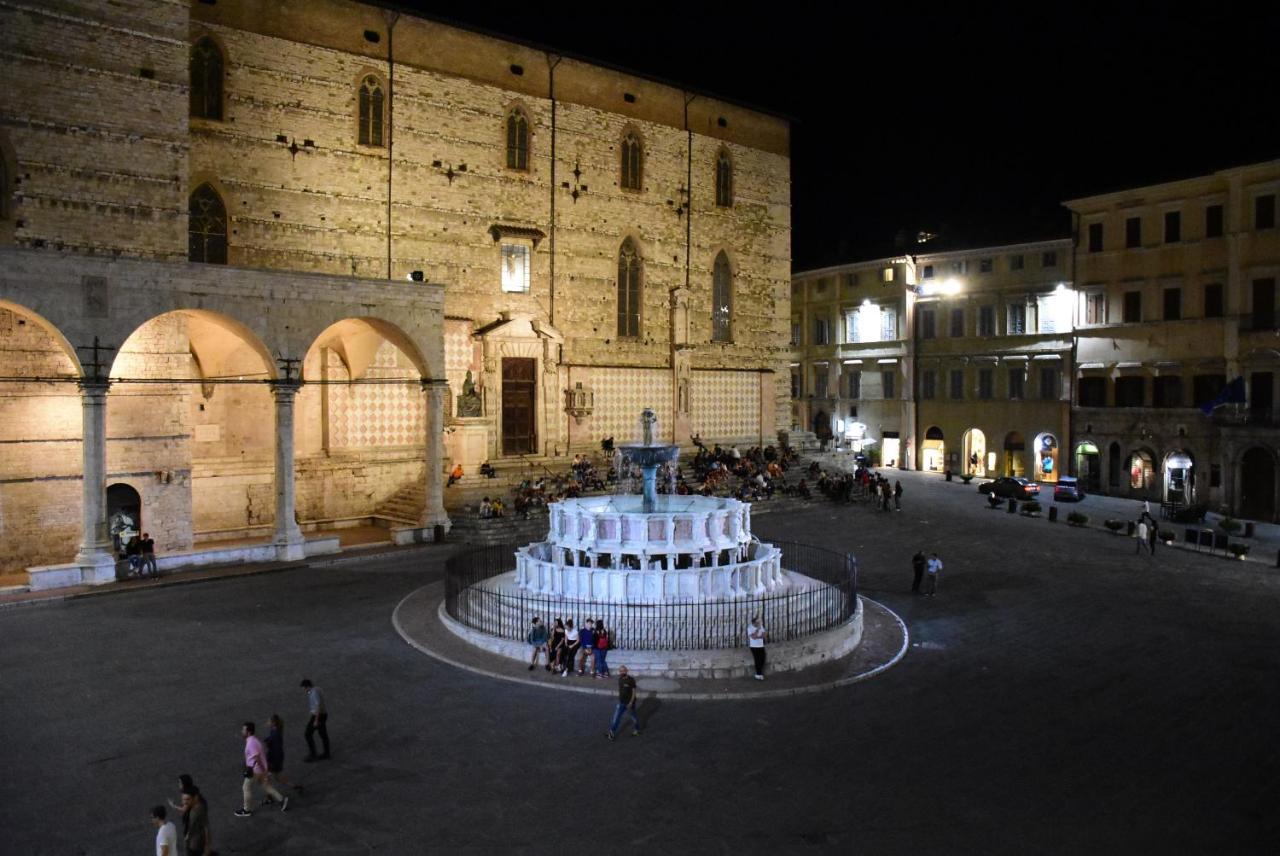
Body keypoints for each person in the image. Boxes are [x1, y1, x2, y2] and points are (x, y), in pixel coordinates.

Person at [236, 721, 286, 817]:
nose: (242, 731)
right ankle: (281, 800)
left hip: (255, 771)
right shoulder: (254, 740)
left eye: (244, 730)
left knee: (246, 788)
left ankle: (247, 809)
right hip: (260, 770)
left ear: (249, 732)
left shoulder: (251, 743)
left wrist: (264, 771)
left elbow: (257, 758)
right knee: (266, 786)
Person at [264, 714, 300, 800]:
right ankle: (295, 786)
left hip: (274, 760)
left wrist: (272, 763)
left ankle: (271, 796)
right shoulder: (274, 731)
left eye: (269, 721)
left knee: (266, 779)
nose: (267, 722)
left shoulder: (275, 734)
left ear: (273, 723)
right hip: (274, 759)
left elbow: (277, 750)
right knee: (277, 777)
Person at [605, 665, 641, 740]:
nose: (622, 672)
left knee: (634, 718)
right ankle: (611, 733)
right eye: (621, 671)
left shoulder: (631, 680)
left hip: (629, 704)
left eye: (623, 670)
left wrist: (631, 702)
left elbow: (634, 692)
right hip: (621, 703)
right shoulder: (620, 679)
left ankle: (637, 730)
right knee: (616, 718)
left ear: (627, 671)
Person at [300, 679, 330, 762]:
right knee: (323, 734)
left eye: (304, 688)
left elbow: (318, 707)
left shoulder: (313, 693)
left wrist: (316, 720)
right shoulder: (317, 689)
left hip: (318, 715)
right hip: (323, 714)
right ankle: (326, 753)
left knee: (308, 734)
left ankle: (313, 754)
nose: (304, 690)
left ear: (307, 686)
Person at [746, 615, 767, 680]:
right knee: (757, 659)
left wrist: (759, 636)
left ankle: (759, 673)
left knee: (763, 658)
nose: (759, 623)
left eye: (759, 622)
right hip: (754, 646)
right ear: (754, 623)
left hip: (761, 645)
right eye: (758, 622)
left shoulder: (761, 626)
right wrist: (757, 630)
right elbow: (753, 637)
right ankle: (758, 674)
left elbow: (765, 634)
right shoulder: (750, 628)